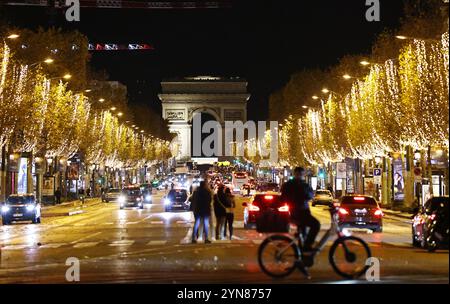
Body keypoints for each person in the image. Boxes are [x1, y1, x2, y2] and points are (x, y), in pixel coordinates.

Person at [281, 167, 320, 253]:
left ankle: (301, 254)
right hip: (301, 213)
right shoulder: (302, 185)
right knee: (316, 225)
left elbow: (283, 197)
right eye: (300, 174)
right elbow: (310, 195)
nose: (300, 176)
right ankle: (307, 247)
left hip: (294, 213)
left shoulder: (288, 185)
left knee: (303, 234)